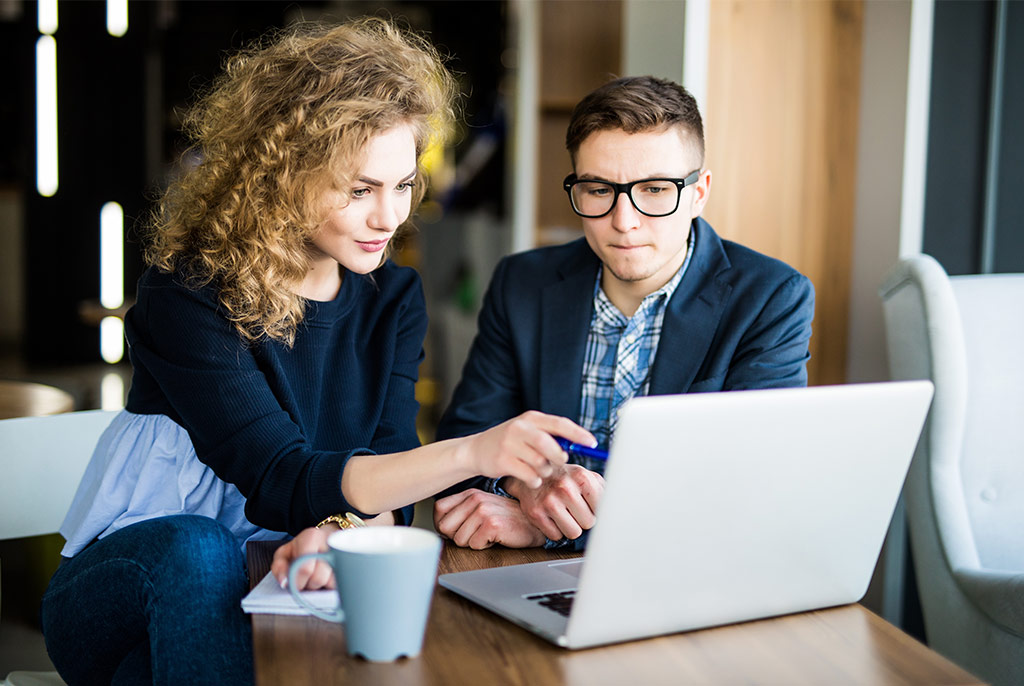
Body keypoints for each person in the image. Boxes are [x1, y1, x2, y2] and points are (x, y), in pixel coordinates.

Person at [40, 19, 594, 686]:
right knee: (200, 549)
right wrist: (474, 452)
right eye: (359, 189)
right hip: (125, 593)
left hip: (271, 594)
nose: (389, 217)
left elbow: (386, 470)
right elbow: (278, 475)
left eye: (402, 184)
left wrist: (337, 529)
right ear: (283, 173)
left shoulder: (394, 298)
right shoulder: (188, 293)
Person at [433, 75, 815, 552]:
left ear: (699, 192)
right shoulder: (523, 284)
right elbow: (459, 453)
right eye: (598, 190)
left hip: (683, 580)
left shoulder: (770, 299)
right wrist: (523, 489)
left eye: (655, 189)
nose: (624, 221)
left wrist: (551, 527)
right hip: (530, 580)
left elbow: (754, 494)